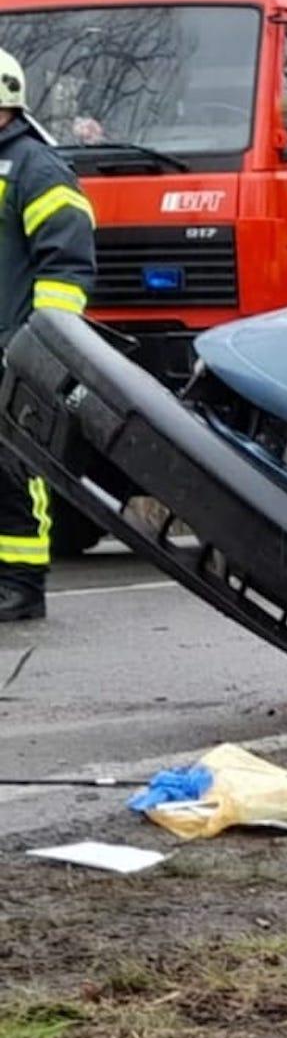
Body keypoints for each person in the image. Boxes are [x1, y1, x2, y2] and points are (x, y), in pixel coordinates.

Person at [0, 47, 96, 621]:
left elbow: (66, 262)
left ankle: (19, 586)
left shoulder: (36, 168)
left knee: (11, 469)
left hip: (13, 350)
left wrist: (38, 345)